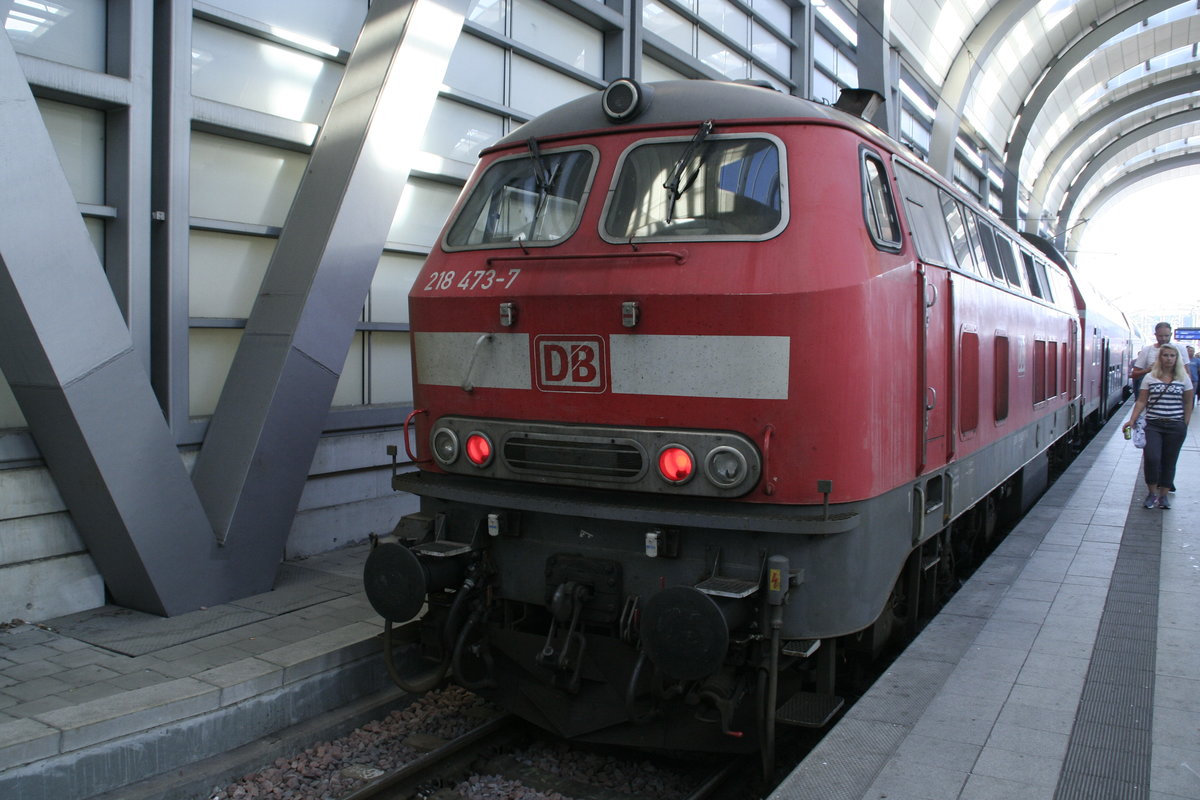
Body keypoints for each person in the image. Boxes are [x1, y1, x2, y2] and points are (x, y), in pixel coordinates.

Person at [1124, 343, 1193, 509]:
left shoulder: (1184, 378)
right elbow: (1142, 401)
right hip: (1153, 425)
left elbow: (1188, 402)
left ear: (1176, 358)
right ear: (1160, 357)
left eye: (1172, 356)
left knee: (1169, 460)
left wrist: (1185, 424)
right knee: (1152, 458)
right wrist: (1132, 420)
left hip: (1175, 426)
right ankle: (1151, 493)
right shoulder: (1150, 377)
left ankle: (1163, 496)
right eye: (1165, 355)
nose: (1169, 359)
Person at [1130, 321, 1176, 395]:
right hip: (1150, 394)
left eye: (1166, 336)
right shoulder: (1147, 350)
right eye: (1160, 336)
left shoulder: (1179, 349)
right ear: (1155, 335)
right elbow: (1134, 374)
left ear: (1171, 334)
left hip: (1173, 393)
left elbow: (1186, 372)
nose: (1163, 339)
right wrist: (1148, 370)